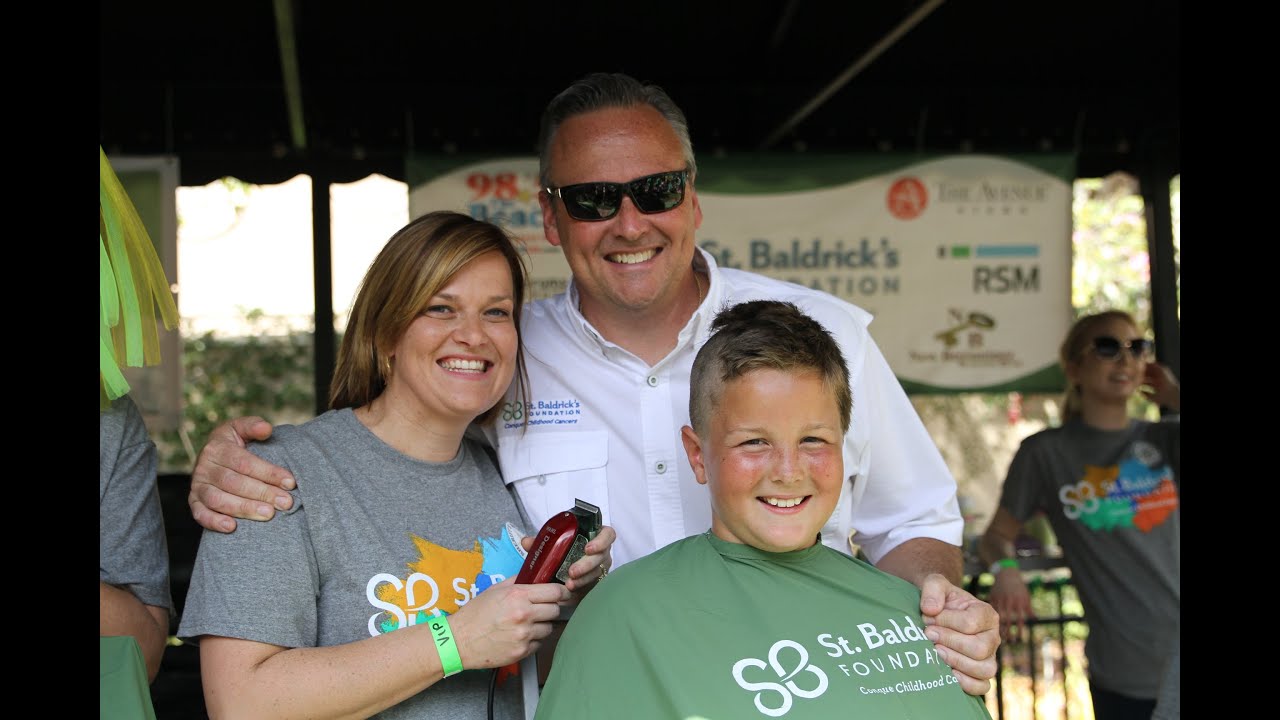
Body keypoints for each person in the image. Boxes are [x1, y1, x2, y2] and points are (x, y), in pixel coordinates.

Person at [184, 72, 999, 692]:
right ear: (550, 217)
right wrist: (247, 461)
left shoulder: (824, 334)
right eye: (593, 200)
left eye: (657, 191)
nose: (630, 222)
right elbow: (390, 436)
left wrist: (936, 609)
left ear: (692, 198)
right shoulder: (503, 353)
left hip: (797, 694)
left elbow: (913, 522)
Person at [176, 211, 615, 720]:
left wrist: (573, 596)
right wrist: (454, 641)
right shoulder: (277, 475)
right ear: (386, 333)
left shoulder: (506, 468)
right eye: (441, 309)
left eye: (496, 312)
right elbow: (241, 702)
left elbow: (525, 679)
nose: (474, 335)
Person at [536, 300, 992, 719]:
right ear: (697, 455)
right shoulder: (623, 617)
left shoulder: (907, 611)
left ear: (844, 444)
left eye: (813, 440)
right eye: (754, 442)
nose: (788, 472)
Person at [978, 310, 1179, 720]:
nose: (1125, 358)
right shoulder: (1045, 453)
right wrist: (1006, 569)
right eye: (1107, 347)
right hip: (1126, 669)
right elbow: (995, 536)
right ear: (1073, 368)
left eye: (1137, 347)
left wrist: (1176, 397)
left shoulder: (1165, 437)